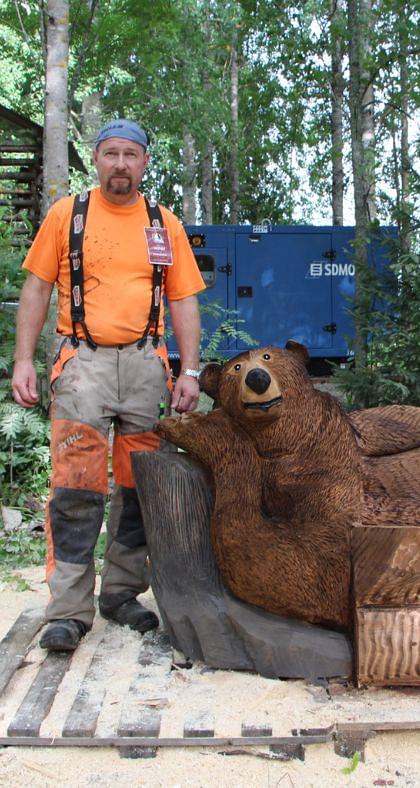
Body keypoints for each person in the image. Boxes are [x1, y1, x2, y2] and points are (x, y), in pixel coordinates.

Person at [11, 119, 206, 652]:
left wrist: (188, 371)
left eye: (131, 155)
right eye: (110, 154)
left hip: (146, 365)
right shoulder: (66, 216)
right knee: (76, 487)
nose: (120, 164)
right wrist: (22, 360)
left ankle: (121, 592)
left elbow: (183, 299)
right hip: (83, 365)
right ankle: (68, 610)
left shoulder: (163, 224)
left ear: (145, 163)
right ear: (95, 159)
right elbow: (37, 288)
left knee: (139, 486)